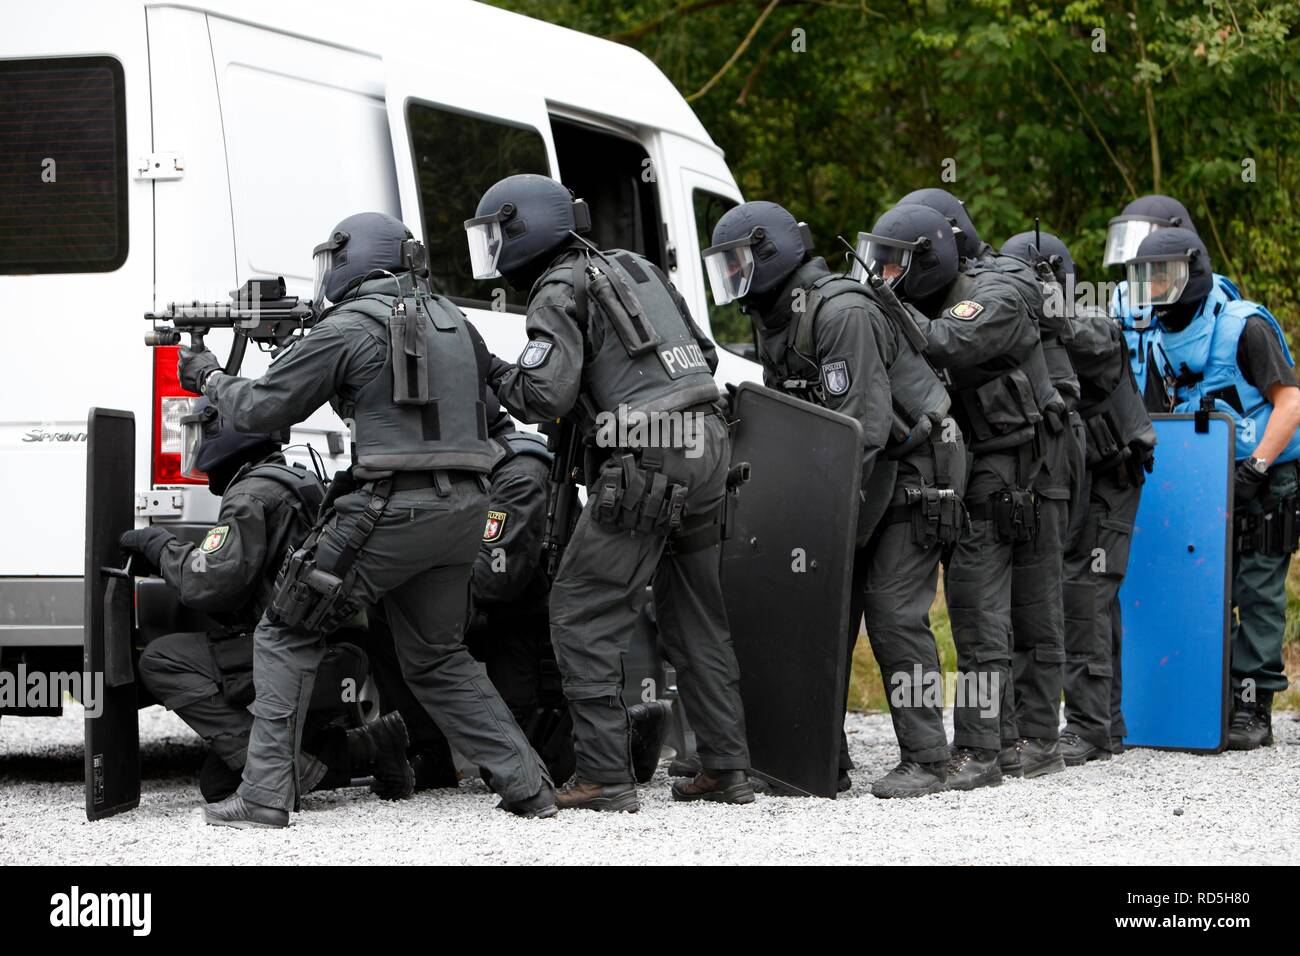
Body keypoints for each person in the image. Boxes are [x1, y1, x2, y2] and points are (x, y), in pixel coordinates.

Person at [178, 211, 555, 828]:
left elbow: (261, 406)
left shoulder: (348, 324)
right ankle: (528, 784)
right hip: (465, 508)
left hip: (387, 509)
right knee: (439, 656)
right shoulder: (456, 321)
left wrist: (211, 378)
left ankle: (268, 793)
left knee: (285, 632)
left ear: (354, 258)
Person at [466, 173, 751, 811]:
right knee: (696, 614)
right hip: (708, 441)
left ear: (524, 231)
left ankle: (603, 777)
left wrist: (487, 366)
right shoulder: (635, 268)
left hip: (649, 457)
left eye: (495, 237)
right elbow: (702, 354)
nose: (492, 252)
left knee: (579, 609)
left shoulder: (557, 288)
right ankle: (727, 766)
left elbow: (544, 395)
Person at [703, 200, 963, 798]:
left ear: (772, 254)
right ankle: (820, 757)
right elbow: (793, 417)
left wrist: (824, 522)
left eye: (740, 262)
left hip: (911, 464)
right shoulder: (779, 315)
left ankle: (929, 758)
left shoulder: (842, 310)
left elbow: (863, 426)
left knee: (893, 610)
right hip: (853, 472)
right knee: (818, 604)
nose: (734, 277)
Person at [858, 202, 1068, 789]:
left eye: (897, 265)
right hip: (979, 460)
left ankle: (992, 748)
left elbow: (942, 340)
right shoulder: (938, 292)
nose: (888, 275)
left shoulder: (994, 296)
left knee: (994, 609)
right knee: (982, 611)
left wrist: (881, 299)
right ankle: (1001, 741)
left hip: (1016, 465)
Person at [122, 401, 413, 802]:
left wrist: (160, 547)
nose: (199, 451)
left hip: (300, 659)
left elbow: (209, 584)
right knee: (220, 783)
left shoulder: (251, 495)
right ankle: (371, 746)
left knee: (161, 660)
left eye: (202, 435)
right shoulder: (298, 479)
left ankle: (273, 771)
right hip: (338, 656)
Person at [1137, 228, 1300, 749]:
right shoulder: (1159, 342)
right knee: (1204, 590)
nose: (1155, 286)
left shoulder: (1244, 327)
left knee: (1257, 590)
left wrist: (1255, 468)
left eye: (1164, 274)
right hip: (1204, 483)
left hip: (1267, 476)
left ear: (1193, 271)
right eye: (1146, 276)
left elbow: (1290, 403)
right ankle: (1211, 696)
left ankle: (1253, 707)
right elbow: (1158, 423)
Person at [1001, 230, 1156, 764]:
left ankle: (1091, 728)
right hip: (1077, 482)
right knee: (1091, 598)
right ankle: (1105, 725)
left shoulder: (1096, 326)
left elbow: (1086, 339)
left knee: (1086, 595)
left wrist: (1045, 303)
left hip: (1111, 482)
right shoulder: (1035, 328)